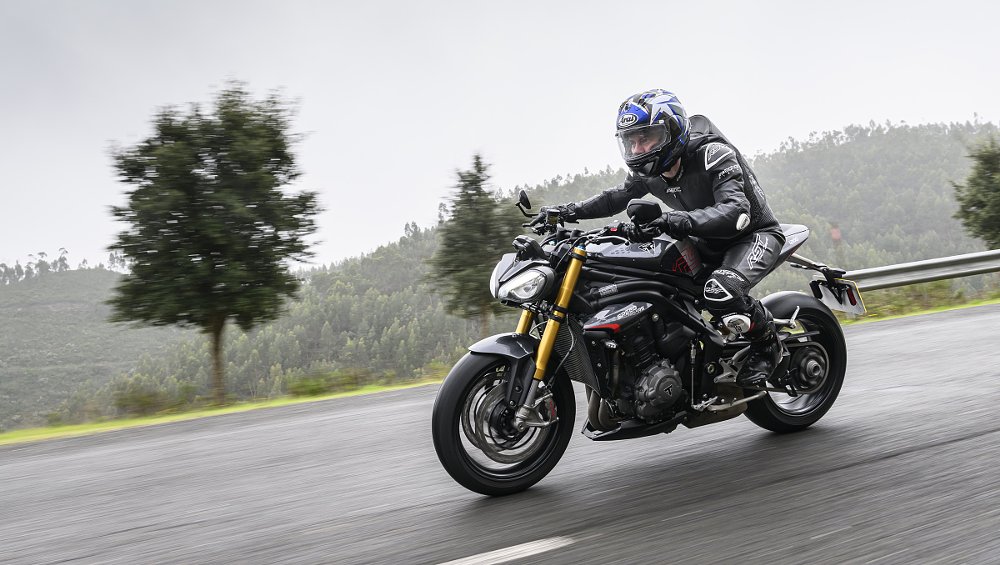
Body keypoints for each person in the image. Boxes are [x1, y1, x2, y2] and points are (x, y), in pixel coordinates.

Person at [531, 89, 786, 387]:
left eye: (646, 138)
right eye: (631, 141)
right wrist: (565, 211)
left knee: (719, 291)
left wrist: (672, 220)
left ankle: (768, 344)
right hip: (703, 241)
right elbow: (615, 198)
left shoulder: (713, 154)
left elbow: (735, 212)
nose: (638, 149)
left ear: (672, 130)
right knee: (656, 277)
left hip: (752, 235)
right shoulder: (650, 173)